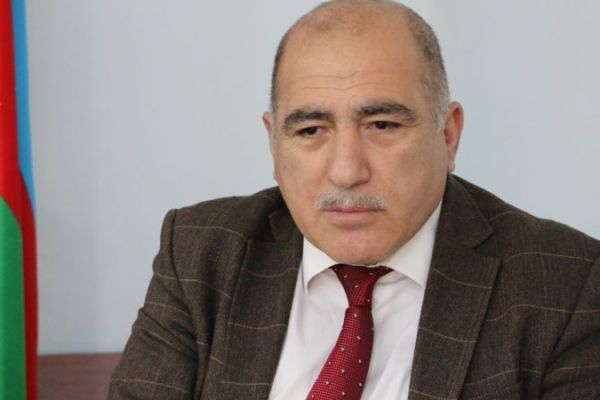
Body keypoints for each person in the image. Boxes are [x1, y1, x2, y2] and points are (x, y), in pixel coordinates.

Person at [108, 1, 600, 399]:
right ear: (274, 145)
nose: (346, 170)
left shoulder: (565, 285)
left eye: (382, 125)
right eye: (310, 130)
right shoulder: (201, 255)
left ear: (448, 135)